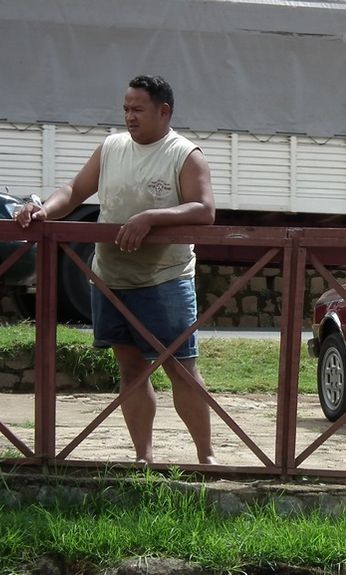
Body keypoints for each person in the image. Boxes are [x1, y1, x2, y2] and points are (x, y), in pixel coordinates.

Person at [15, 75, 217, 465]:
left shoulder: (184, 154)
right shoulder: (110, 148)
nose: (129, 117)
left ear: (164, 111)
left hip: (166, 279)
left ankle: (207, 459)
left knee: (182, 370)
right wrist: (43, 210)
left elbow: (204, 209)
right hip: (110, 278)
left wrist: (151, 218)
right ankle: (143, 458)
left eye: (137, 109)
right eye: (126, 109)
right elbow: (74, 191)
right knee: (130, 371)